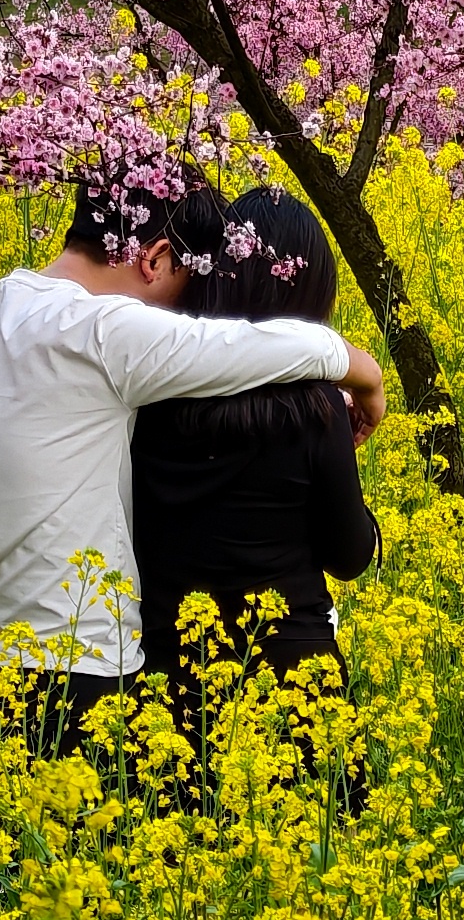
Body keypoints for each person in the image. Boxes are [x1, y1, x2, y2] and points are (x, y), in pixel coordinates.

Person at [0, 165, 385, 748]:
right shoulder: (106, 331)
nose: (187, 309)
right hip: (74, 670)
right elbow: (259, 346)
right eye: (186, 282)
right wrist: (366, 377)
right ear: (156, 259)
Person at [132, 186, 380, 750]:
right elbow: (349, 557)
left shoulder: (145, 396)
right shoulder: (317, 409)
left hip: (171, 681)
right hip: (295, 684)